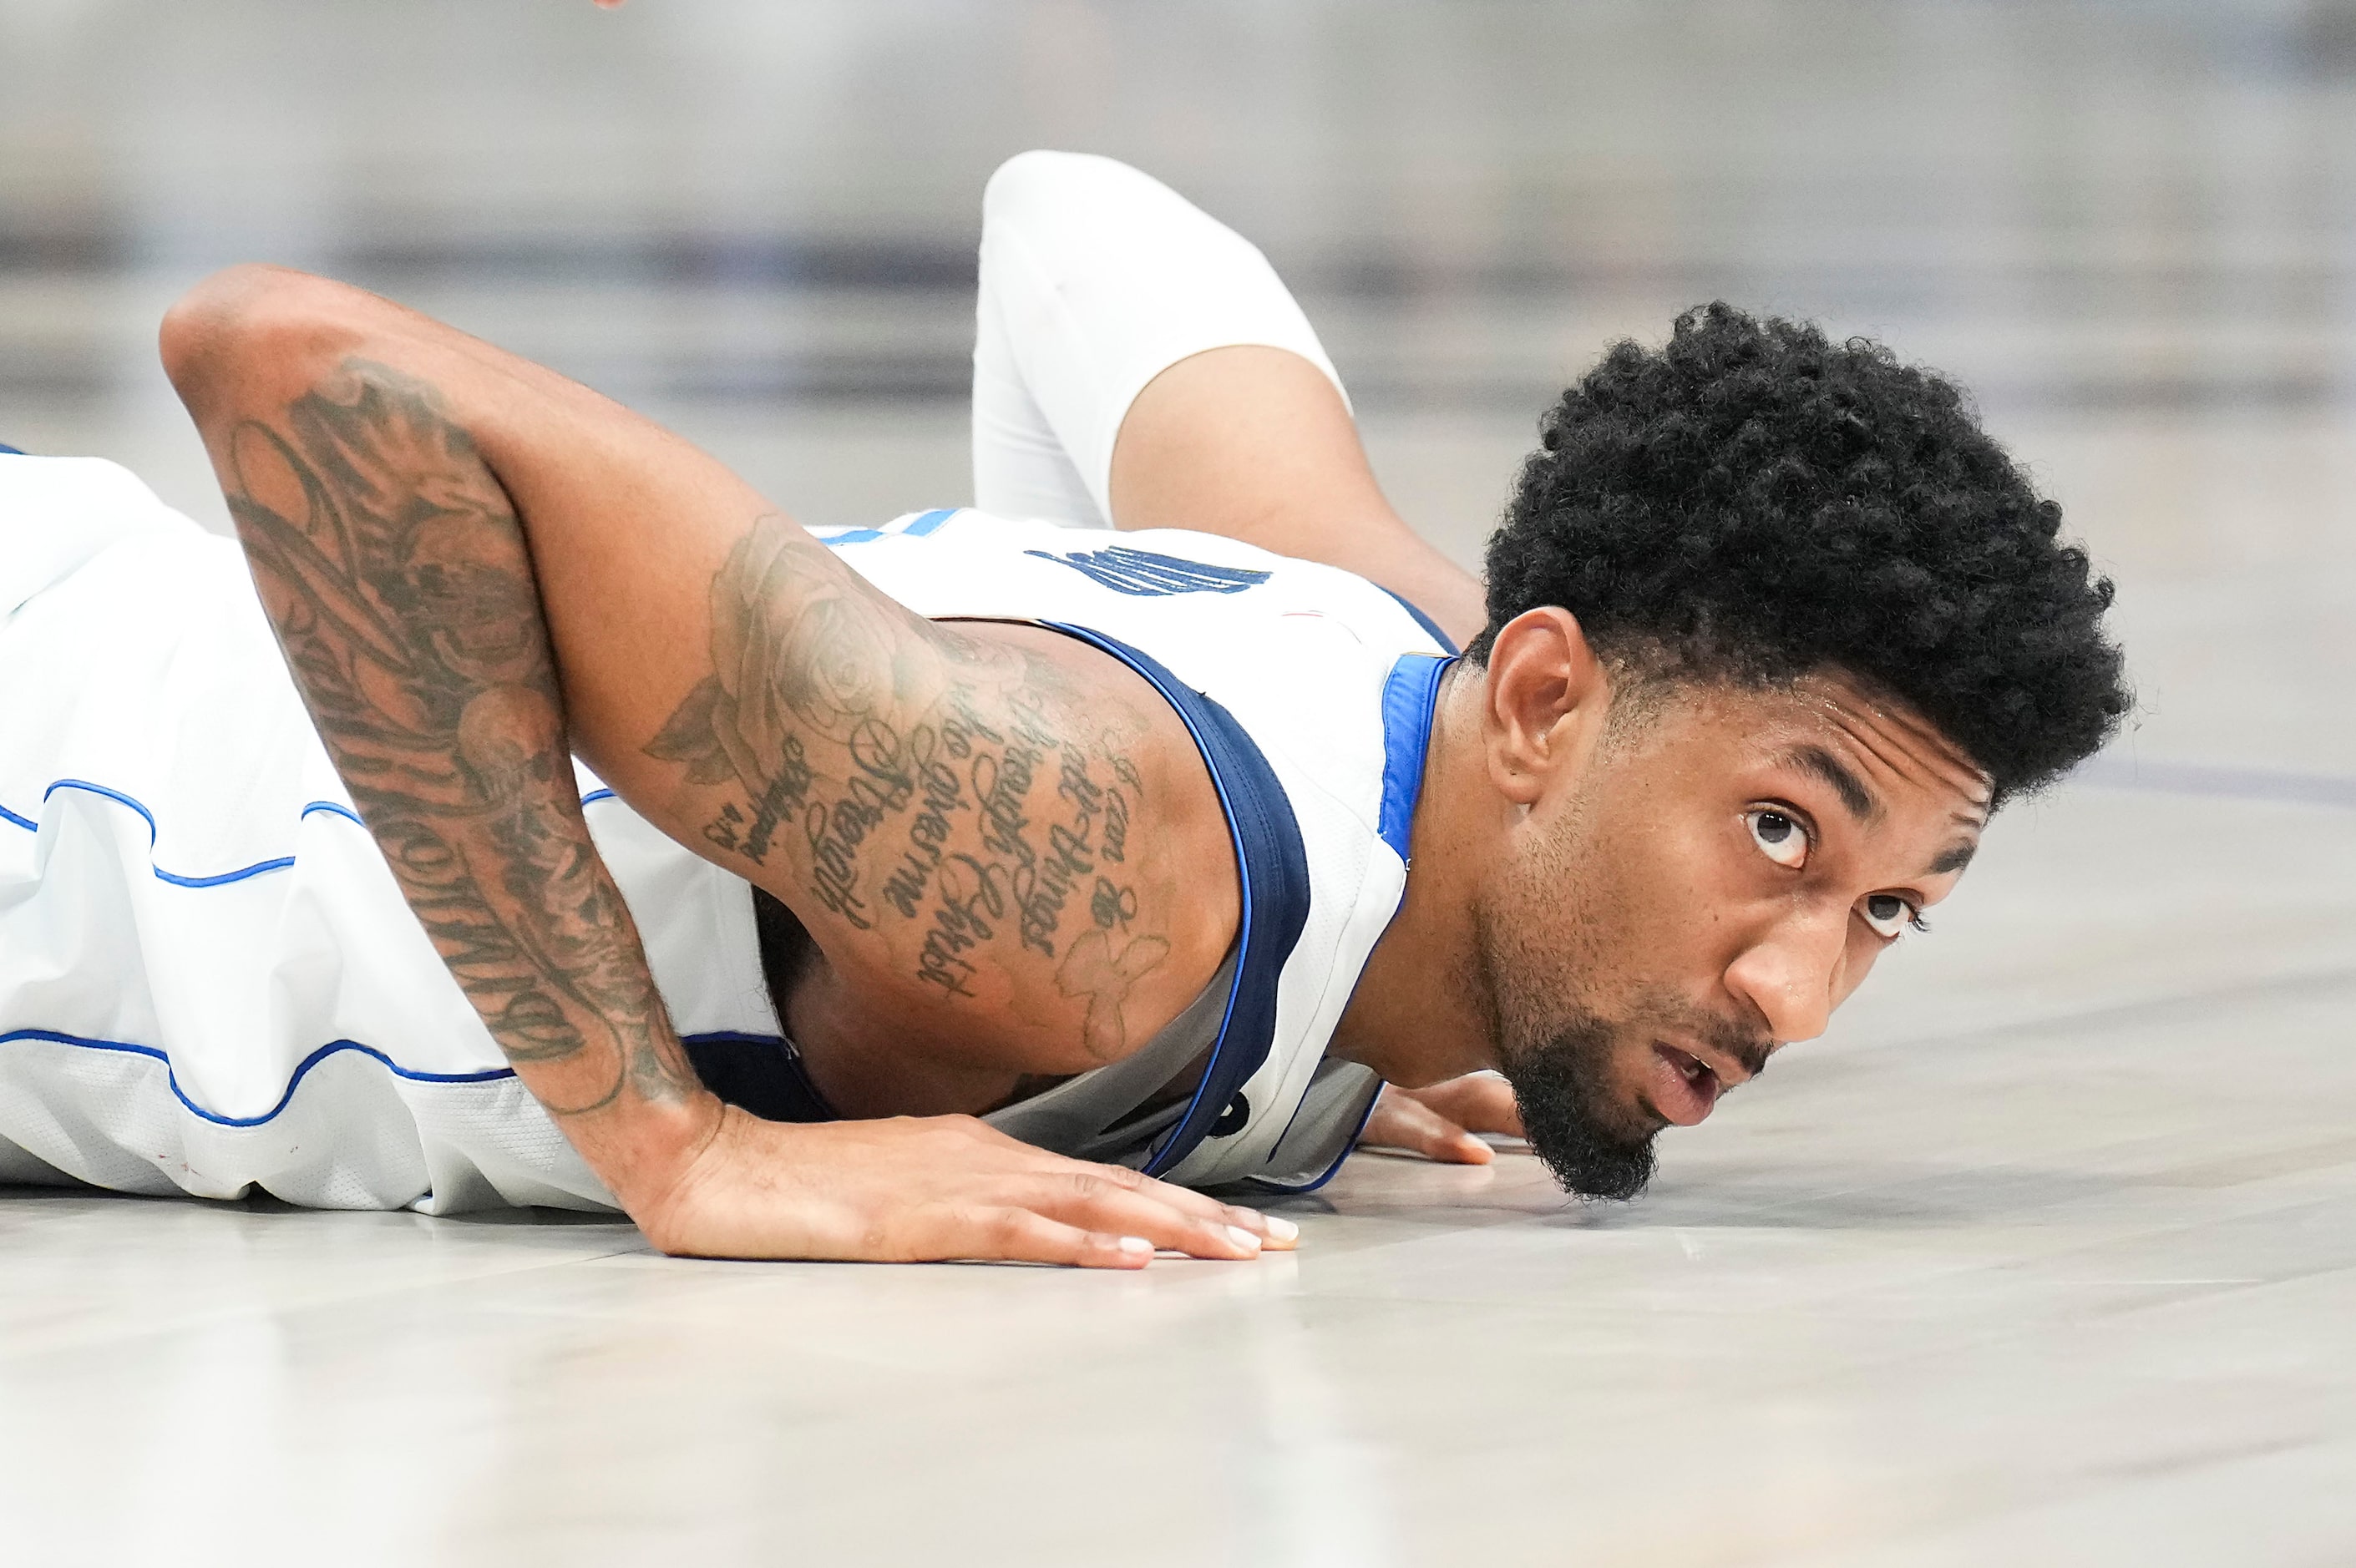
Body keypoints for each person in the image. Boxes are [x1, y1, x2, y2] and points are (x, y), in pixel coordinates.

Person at [0, 153, 2125, 1266]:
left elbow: (1080, 215)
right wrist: (679, 1151)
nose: (1802, 993)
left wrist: (1329, 1021)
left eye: (1886, 908)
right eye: (1780, 830)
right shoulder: (1096, 889)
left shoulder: (1379, 626)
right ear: (1549, 698)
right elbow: (288, 356)